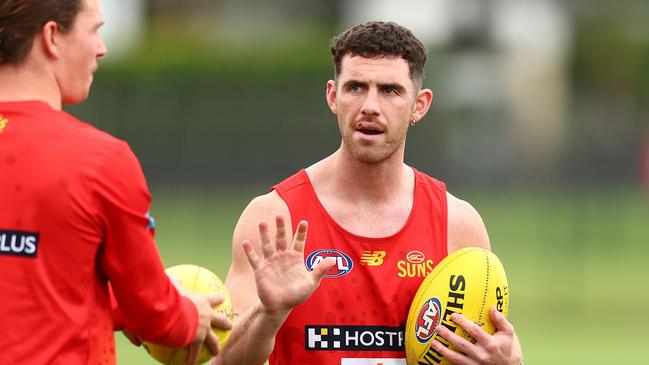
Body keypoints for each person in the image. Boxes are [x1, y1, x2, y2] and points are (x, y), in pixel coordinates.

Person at [216, 21, 523, 365]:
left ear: (419, 105)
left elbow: (492, 346)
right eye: (356, 87)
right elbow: (223, 361)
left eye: (390, 90)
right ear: (333, 96)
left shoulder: (457, 225)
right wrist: (269, 313)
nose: (370, 106)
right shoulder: (274, 219)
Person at [0, 1, 231, 364]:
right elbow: (157, 314)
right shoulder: (99, 159)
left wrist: (123, 309)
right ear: (51, 37)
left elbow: (32, 280)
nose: (102, 48)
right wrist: (191, 314)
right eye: (94, 30)